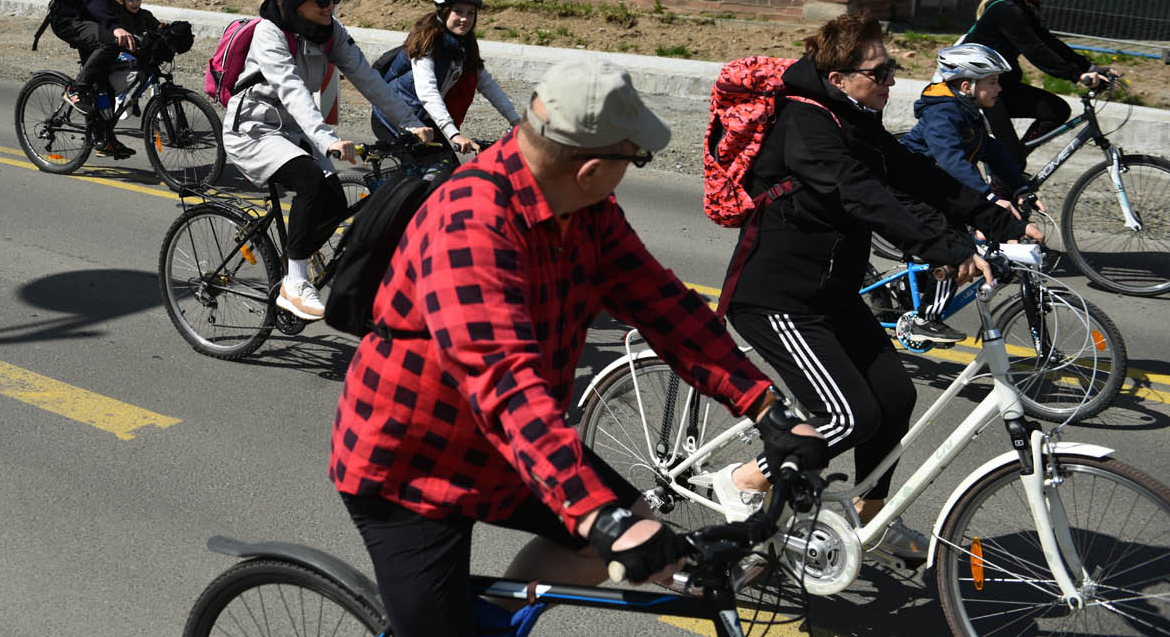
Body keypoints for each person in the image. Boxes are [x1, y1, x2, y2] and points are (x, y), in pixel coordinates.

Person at [332, 58, 825, 637]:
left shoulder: (587, 209)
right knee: (602, 531)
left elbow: (661, 303)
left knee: (631, 543)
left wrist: (768, 410)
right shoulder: (470, 223)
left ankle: (497, 626)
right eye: (632, 159)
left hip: (511, 453)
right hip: (414, 466)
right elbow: (505, 384)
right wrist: (594, 514)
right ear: (591, 169)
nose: (631, 171)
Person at [711, 13, 1030, 563]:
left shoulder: (853, 120)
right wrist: (949, 248)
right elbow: (863, 196)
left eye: (892, 69)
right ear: (840, 79)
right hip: (777, 299)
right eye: (879, 73)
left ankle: (871, 515)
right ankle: (741, 478)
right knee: (847, 416)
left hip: (829, 295)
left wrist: (1003, 223)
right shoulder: (805, 125)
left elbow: (918, 178)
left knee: (895, 396)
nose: (891, 82)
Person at [221, 0, 434, 320]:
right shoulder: (270, 32)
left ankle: (293, 258)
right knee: (310, 182)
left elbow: (367, 78)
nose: (329, 6)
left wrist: (410, 123)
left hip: (294, 131)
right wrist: (326, 139)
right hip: (253, 129)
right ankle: (294, 281)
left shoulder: (328, 29)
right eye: (321, 1)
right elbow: (292, 90)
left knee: (334, 203)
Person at [898, 44, 1043, 342]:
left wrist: (1020, 187)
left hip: (943, 192)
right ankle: (925, 320)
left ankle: (912, 288)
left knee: (978, 246)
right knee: (953, 247)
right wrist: (988, 198)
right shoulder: (942, 114)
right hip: (914, 191)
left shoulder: (968, 111)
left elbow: (994, 151)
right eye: (992, 81)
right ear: (967, 85)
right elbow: (952, 163)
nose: (999, 88)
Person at [962, 0, 1119, 176]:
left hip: (1000, 86)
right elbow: (1035, 51)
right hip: (977, 88)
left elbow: (1048, 42)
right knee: (1012, 161)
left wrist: (1090, 68)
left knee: (1056, 111)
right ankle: (1001, 191)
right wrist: (1076, 76)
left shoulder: (1022, 8)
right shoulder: (1005, 9)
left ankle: (1009, 164)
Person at [371, 0, 520, 152]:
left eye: (470, 13)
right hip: (394, 117)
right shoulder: (426, 41)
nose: (465, 19)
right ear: (444, 12)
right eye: (458, 11)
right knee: (433, 173)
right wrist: (453, 133)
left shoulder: (464, 44)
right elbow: (427, 91)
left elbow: (488, 85)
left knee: (446, 172)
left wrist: (517, 122)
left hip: (424, 120)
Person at [47, 0, 136, 158]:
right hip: (67, 19)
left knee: (104, 81)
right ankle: (75, 89)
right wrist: (114, 26)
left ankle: (103, 139)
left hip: (89, 19)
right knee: (109, 43)